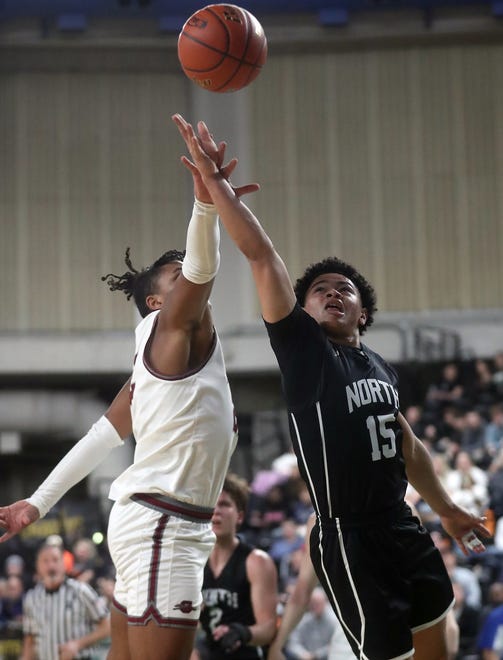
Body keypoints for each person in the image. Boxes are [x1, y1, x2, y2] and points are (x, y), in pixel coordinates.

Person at [172, 114, 492, 660]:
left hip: (403, 524)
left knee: (439, 640)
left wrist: (447, 509)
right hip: (348, 537)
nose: (332, 295)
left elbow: (407, 445)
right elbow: (261, 256)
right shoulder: (305, 352)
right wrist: (217, 191)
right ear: (304, 308)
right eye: (319, 291)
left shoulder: (380, 369)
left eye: (344, 290)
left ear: (364, 311)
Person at [0, 140, 258, 660]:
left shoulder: (152, 368)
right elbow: (202, 270)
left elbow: (101, 435)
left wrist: (37, 503)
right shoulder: (168, 334)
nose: (188, 273)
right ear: (159, 303)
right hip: (165, 523)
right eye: (175, 273)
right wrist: (206, 201)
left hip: (154, 521)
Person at [192, 473, 278, 659]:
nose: (216, 511)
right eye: (211, 504)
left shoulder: (257, 562)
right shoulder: (194, 563)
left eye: (224, 504)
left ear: (239, 516)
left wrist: (242, 632)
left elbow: (268, 628)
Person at [268, 514, 353, 660]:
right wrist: (277, 646)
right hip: (349, 635)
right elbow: (302, 591)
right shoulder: (318, 519)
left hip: (392, 631)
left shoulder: (399, 501)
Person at [21, 541, 110, 660]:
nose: (51, 566)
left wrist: (78, 644)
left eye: (55, 560)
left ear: (64, 563)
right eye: (45, 561)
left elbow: (107, 627)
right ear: (38, 566)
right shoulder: (31, 598)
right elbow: (30, 641)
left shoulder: (81, 591)